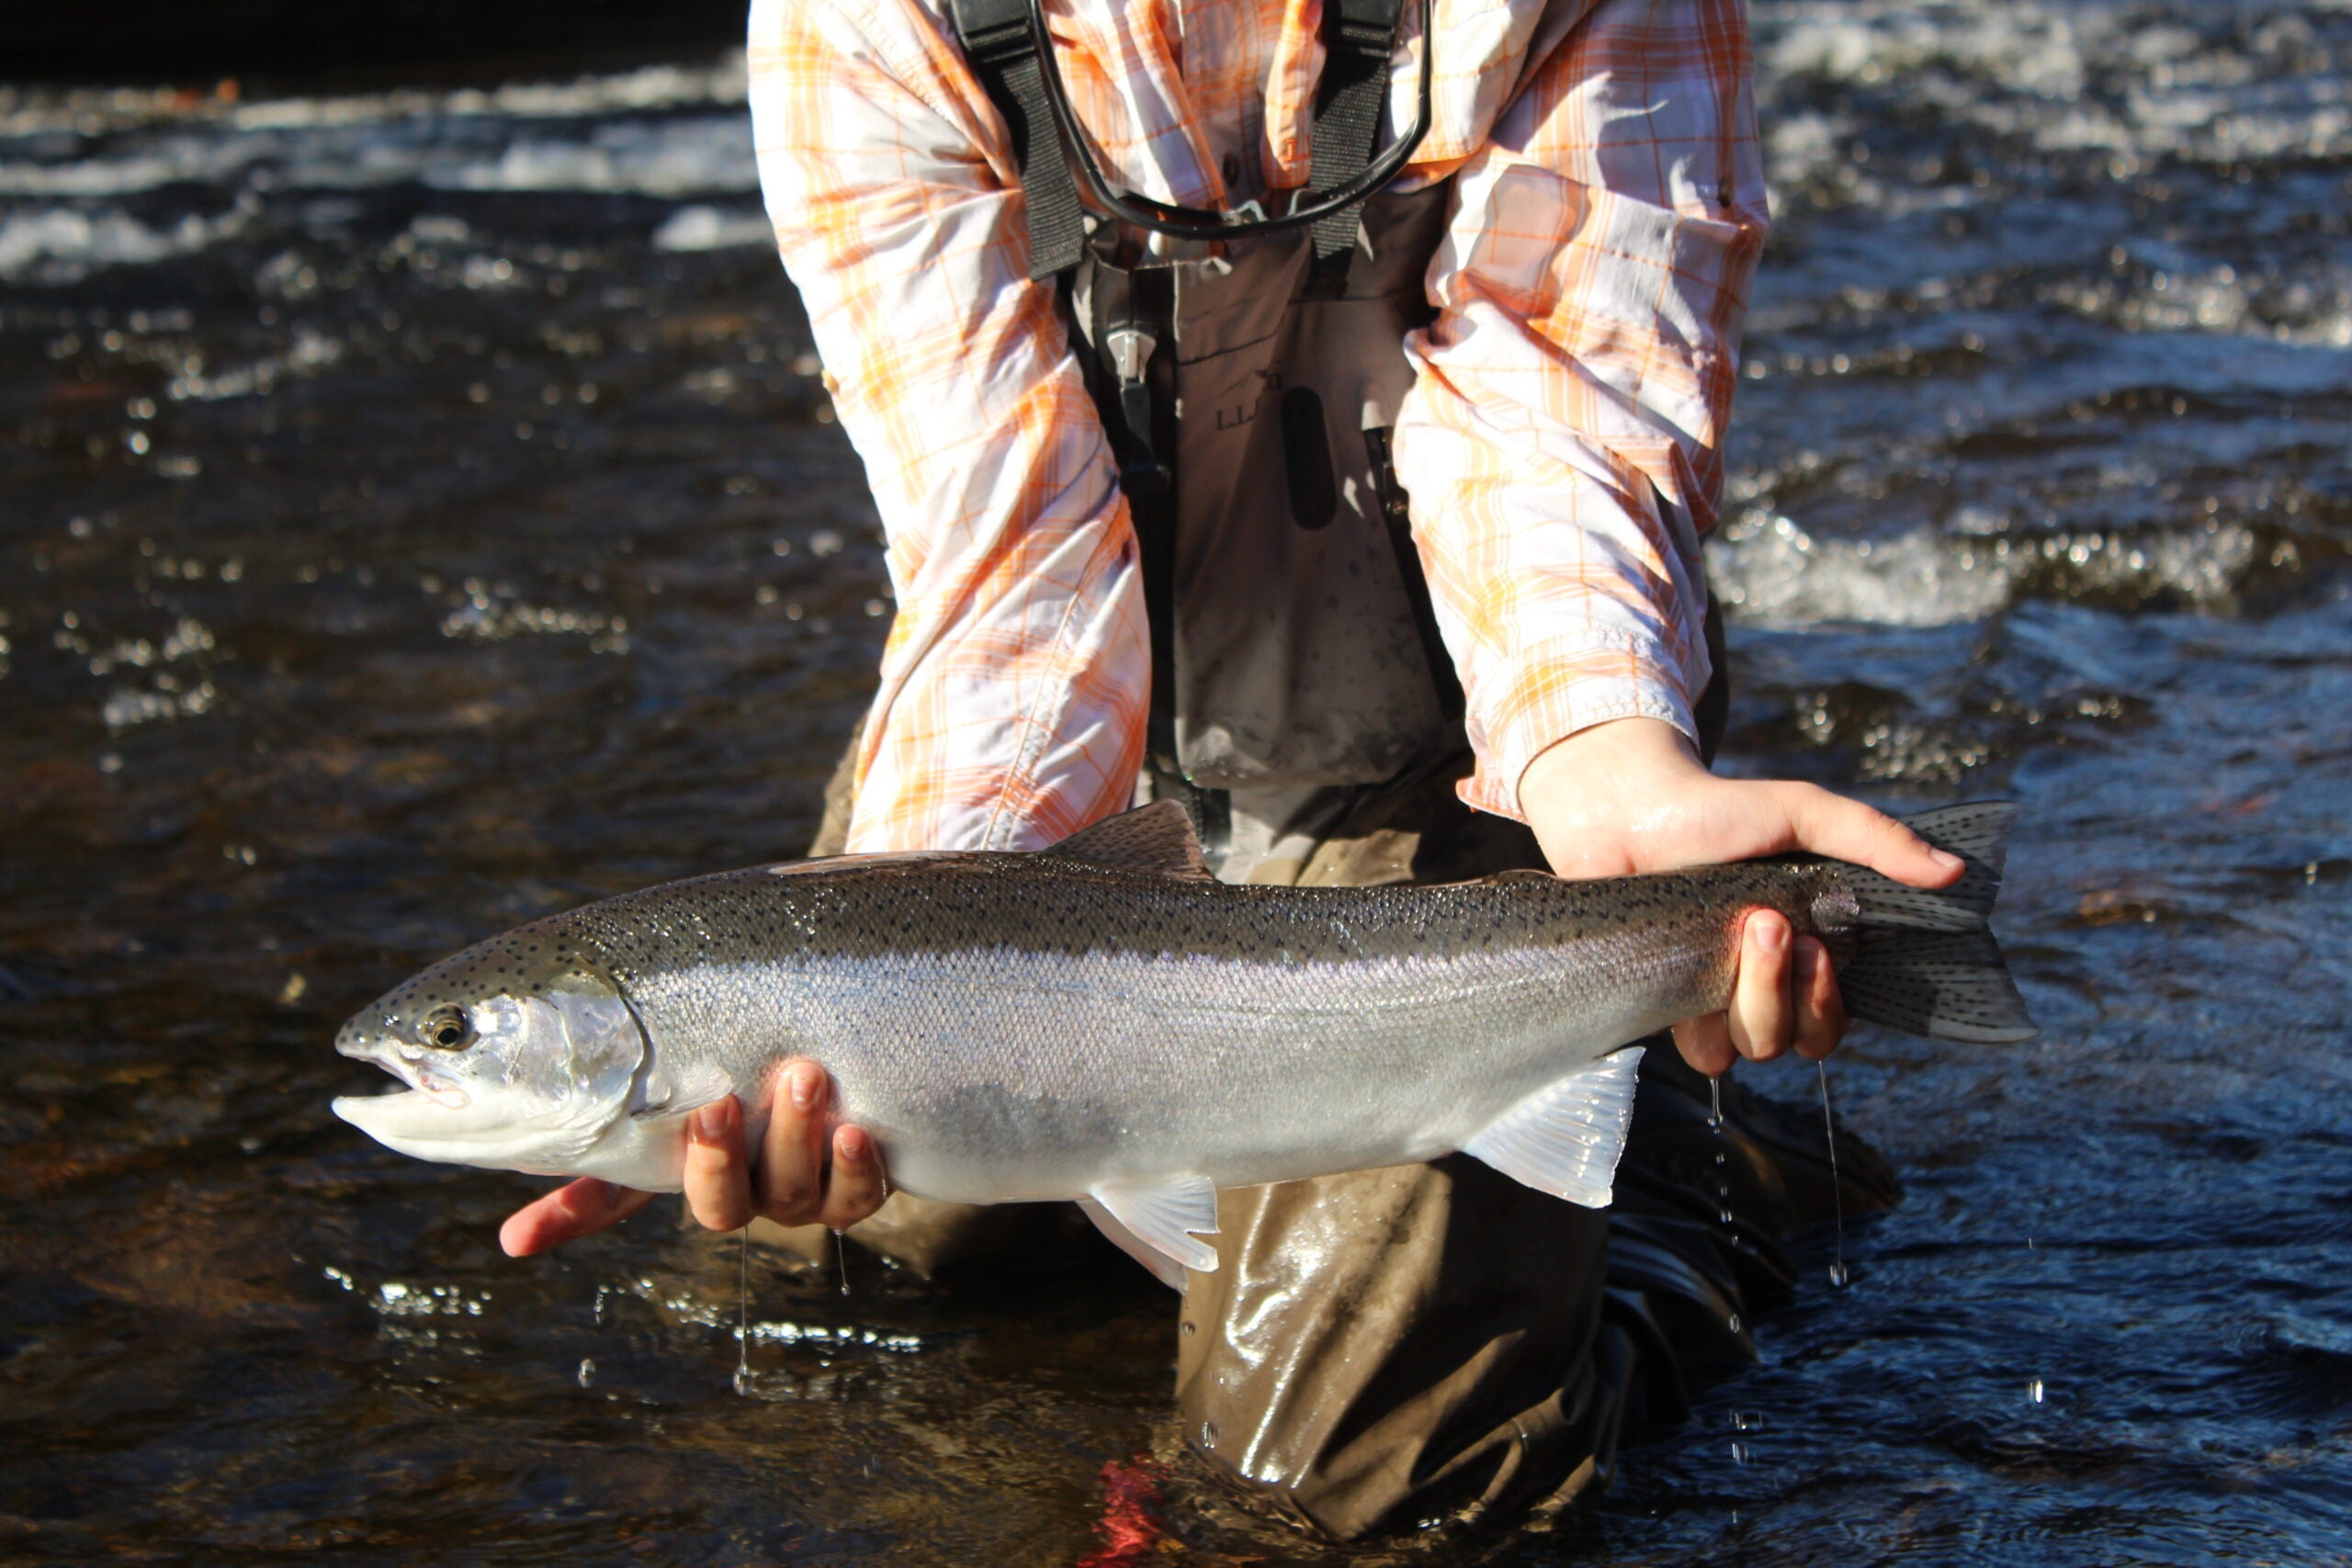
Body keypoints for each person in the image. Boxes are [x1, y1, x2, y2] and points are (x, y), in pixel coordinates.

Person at [501, 0, 1962, 1538]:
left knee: (1349, 1501)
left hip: (1471, 760)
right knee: (815, 1260)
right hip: (1070, 771)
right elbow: (1010, 566)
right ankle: (1490, 1102)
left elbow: (1564, 421)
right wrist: (906, 945)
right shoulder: (869, 15)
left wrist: (1607, 772)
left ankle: (1668, 1180)